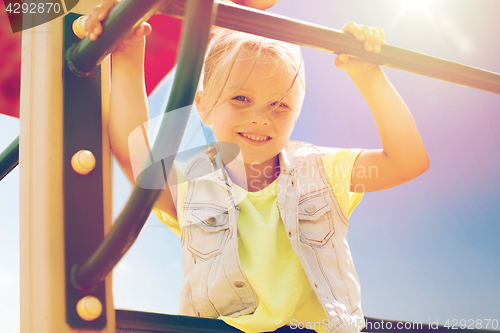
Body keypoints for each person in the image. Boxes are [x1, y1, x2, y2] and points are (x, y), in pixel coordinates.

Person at [84, 1, 429, 332]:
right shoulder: (193, 181)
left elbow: (407, 161)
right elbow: (135, 155)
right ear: (203, 107)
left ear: (296, 115)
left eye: (279, 105)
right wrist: (128, 52)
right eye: (240, 99)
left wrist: (369, 74)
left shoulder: (321, 170)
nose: (261, 118)